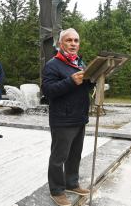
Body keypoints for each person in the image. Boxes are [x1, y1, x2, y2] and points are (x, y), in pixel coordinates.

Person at [42, 28, 93, 206]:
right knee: (59, 157)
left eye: (76, 41)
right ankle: (56, 190)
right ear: (61, 43)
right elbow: (48, 92)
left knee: (75, 155)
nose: (73, 44)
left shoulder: (80, 62)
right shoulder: (52, 65)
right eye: (69, 40)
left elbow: (84, 87)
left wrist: (91, 81)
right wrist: (71, 81)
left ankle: (72, 183)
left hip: (79, 116)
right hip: (62, 119)